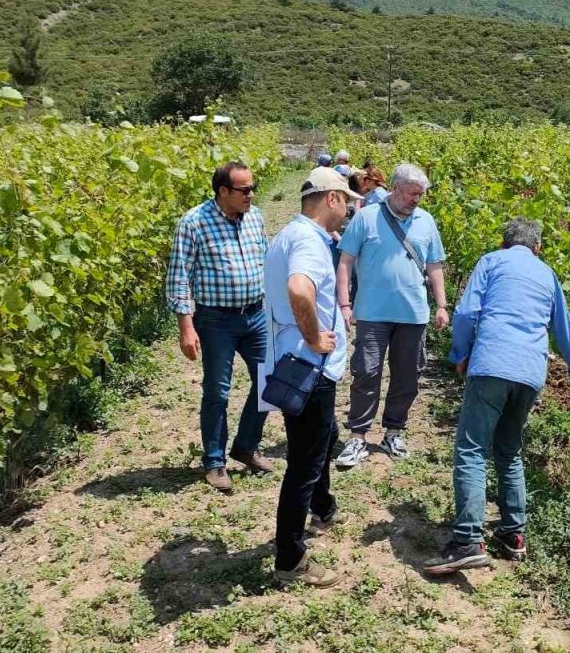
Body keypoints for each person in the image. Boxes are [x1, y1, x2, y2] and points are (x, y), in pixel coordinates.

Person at [423, 218, 570, 575]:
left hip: (493, 364)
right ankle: (513, 533)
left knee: (471, 449)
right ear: (538, 248)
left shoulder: (491, 262)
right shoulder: (548, 275)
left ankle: (467, 539)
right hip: (530, 373)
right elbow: (566, 335)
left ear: (504, 243)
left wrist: (458, 354)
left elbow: (468, 312)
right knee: (509, 448)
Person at [265, 166, 363, 587]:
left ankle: (323, 506)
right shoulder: (307, 240)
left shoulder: (289, 234)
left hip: (294, 361)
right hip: (308, 365)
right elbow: (300, 290)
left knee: (317, 441)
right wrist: (313, 336)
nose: (348, 213)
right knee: (304, 461)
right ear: (332, 200)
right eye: (347, 204)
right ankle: (290, 559)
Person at [334, 163, 448, 468]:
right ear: (395, 189)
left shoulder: (426, 221)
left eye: (421, 195)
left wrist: (441, 305)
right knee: (366, 372)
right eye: (412, 193)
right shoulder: (366, 218)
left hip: (413, 314)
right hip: (372, 312)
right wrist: (345, 305)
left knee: (407, 376)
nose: (417, 200)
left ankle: (393, 432)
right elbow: (345, 262)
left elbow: (434, 267)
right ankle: (358, 436)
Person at [166, 161, 271, 492]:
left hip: (256, 315)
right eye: (244, 190)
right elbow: (179, 275)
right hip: (216, 320)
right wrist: (186, 325)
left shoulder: (255, 217)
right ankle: (214, 461)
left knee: (270, 383)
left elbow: (265, 260)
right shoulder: (194, 222)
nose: (250, 195)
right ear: (223, 191)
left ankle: (245, 446)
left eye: (252, 188)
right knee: (217, 390)